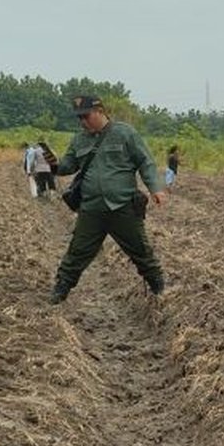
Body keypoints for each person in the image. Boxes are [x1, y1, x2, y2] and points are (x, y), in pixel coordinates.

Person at [50, 96, 167, 304]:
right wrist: (52, 164)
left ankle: (159, 288)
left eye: (86, 116)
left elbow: (145, 161)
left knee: (141, 251)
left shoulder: (125, 133)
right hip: (91, 208)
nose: (82, 122)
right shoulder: (79, 140)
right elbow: (67, 166)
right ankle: (60, 290)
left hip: (122, 206)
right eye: (79, 118)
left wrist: (155, 188)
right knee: (77, 252)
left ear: (100, 111)